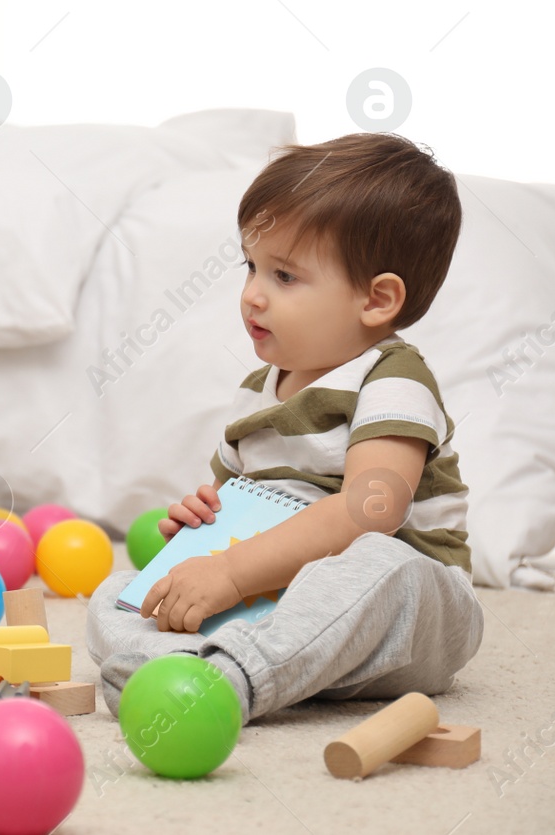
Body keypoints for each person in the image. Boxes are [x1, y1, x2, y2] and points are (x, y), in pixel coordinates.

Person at [85, 132, 483, 724]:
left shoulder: (392, 377)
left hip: (404, 617)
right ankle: (214, 663)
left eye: (285, 277)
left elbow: (370, 509)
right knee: (116, 593)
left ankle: (233, 676)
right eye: (251, 267)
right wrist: (196, 537)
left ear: (376, 300)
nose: (252, 295)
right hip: (280, 606)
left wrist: (228, 570)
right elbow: (239, 515)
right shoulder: (255, 394)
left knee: (382, 564)